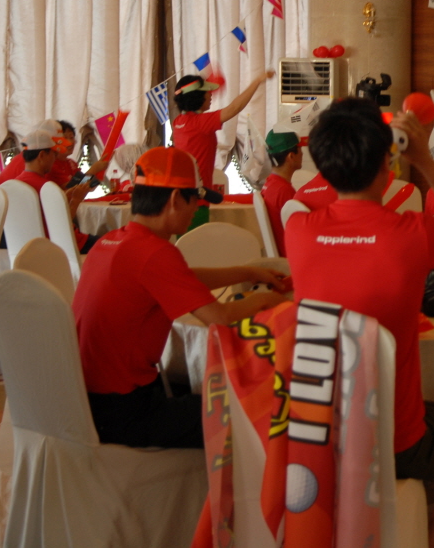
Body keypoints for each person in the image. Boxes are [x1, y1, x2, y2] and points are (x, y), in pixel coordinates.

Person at [285, 98, 434, 548]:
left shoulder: (299, 233)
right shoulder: (410, 235)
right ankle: (426, 540)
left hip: (319, 434)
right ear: (387, 163)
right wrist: (426, 160)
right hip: (395, 440)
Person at [72, 147, 289, 448]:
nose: (197, 208)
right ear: (175, 199)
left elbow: (180, 278)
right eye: (195, 199)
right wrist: (272, 302)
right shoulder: (155, 253)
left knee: (195, 391)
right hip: (126, 411)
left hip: (88, 402)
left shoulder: (113, 242)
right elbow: (220, 318)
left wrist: (247, 272)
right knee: (257, 409)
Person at [172, 69, 275, 229]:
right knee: (196, 242)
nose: (210, 95)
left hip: (185, 196)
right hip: (196, 201)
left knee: (187, 241)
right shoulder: (200, 123)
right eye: (206, 92)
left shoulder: (178, 122)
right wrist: (257, 81)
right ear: (196, 96)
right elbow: (234, 108)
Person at [261, 129, 302, 256]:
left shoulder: (269, 184)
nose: (302, 153)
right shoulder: (284, 191)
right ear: (291, 156)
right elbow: (299, 233)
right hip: (289, 257)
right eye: (300, 149)